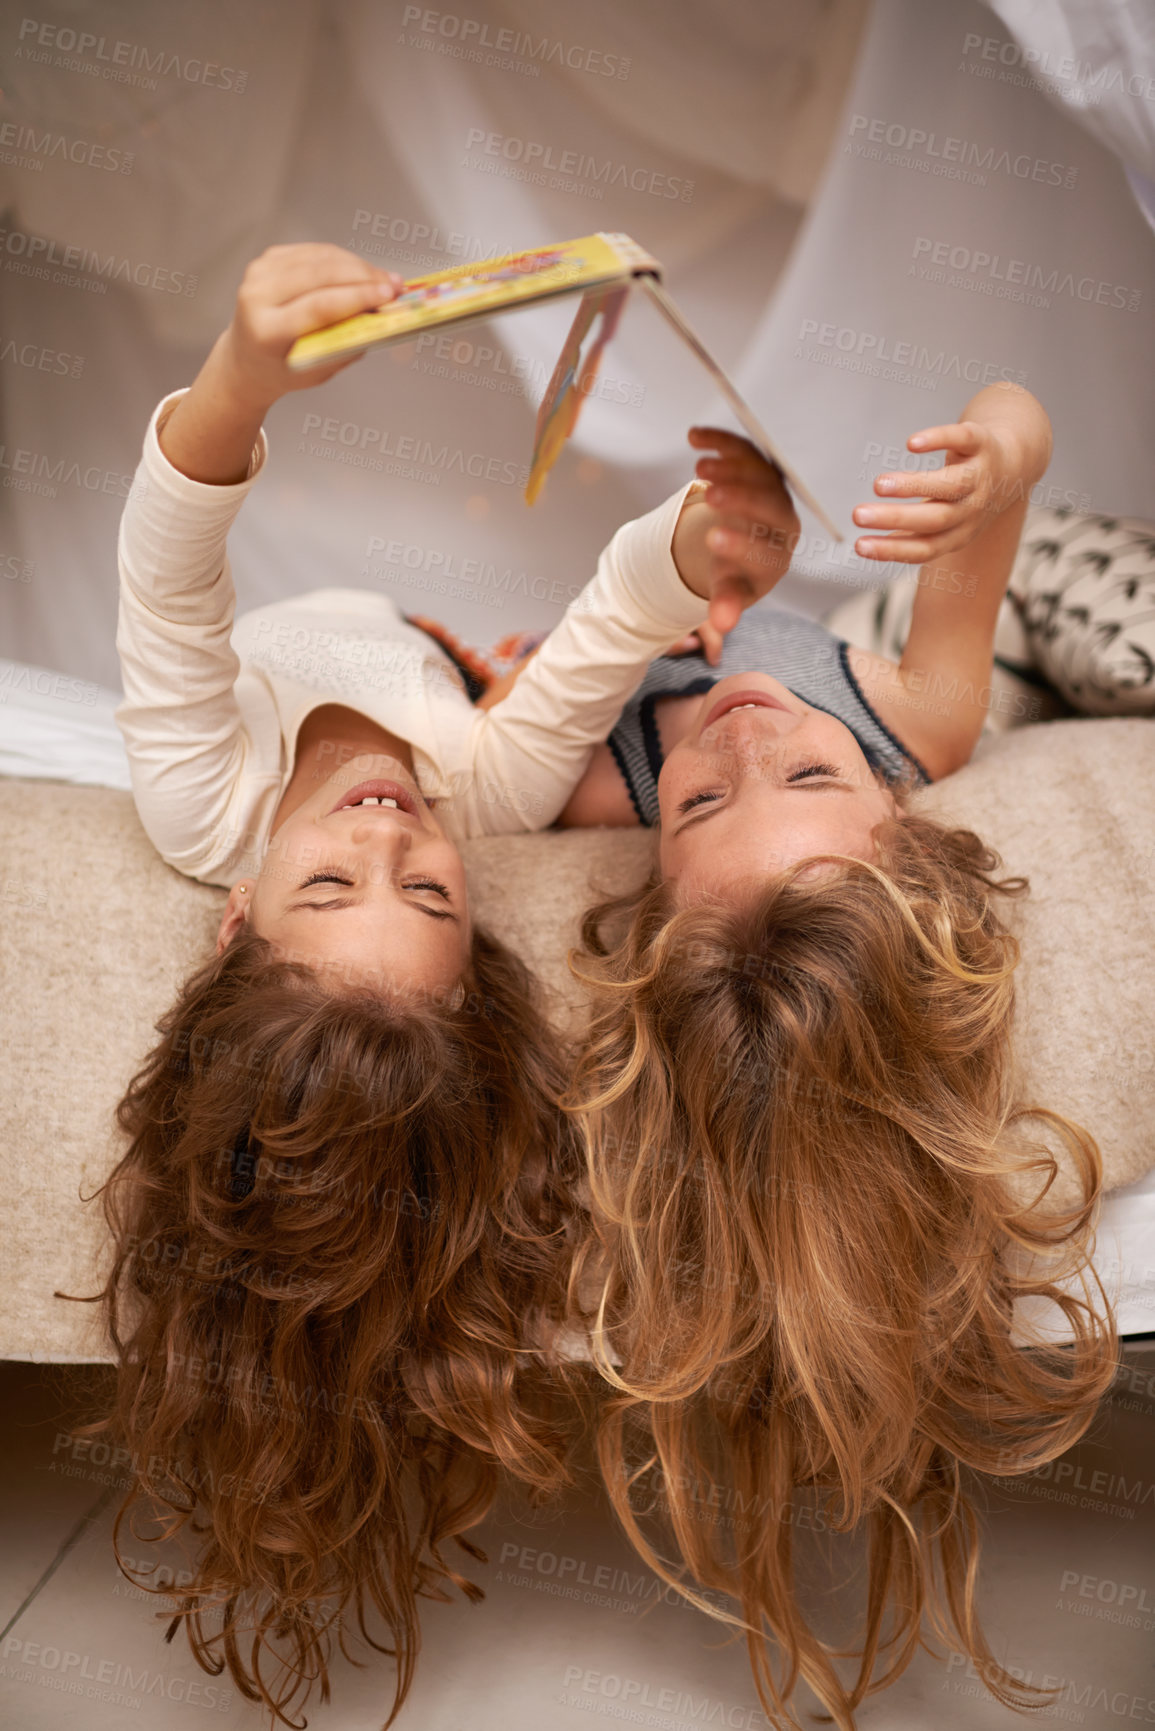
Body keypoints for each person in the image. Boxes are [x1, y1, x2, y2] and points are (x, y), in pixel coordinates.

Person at [91, 241, 798, 1727]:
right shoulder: (481, 793)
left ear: (231, 926)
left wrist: (237, 386)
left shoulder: (202, 802)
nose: (396, 833)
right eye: (430, 897)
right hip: (429, 645)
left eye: (336, 884)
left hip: (308, 613)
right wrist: (703, 544)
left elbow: (167, 586)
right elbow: (609, 631)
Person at [553, 392, 1118, 1729]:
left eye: (695, 804)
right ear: (907, 826)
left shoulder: (600, 787)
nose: (744, 739)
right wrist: (1002, 457)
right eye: (812, 784)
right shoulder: (910, 723)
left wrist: (704, 578)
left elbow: (538, 694)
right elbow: (1018, 446)